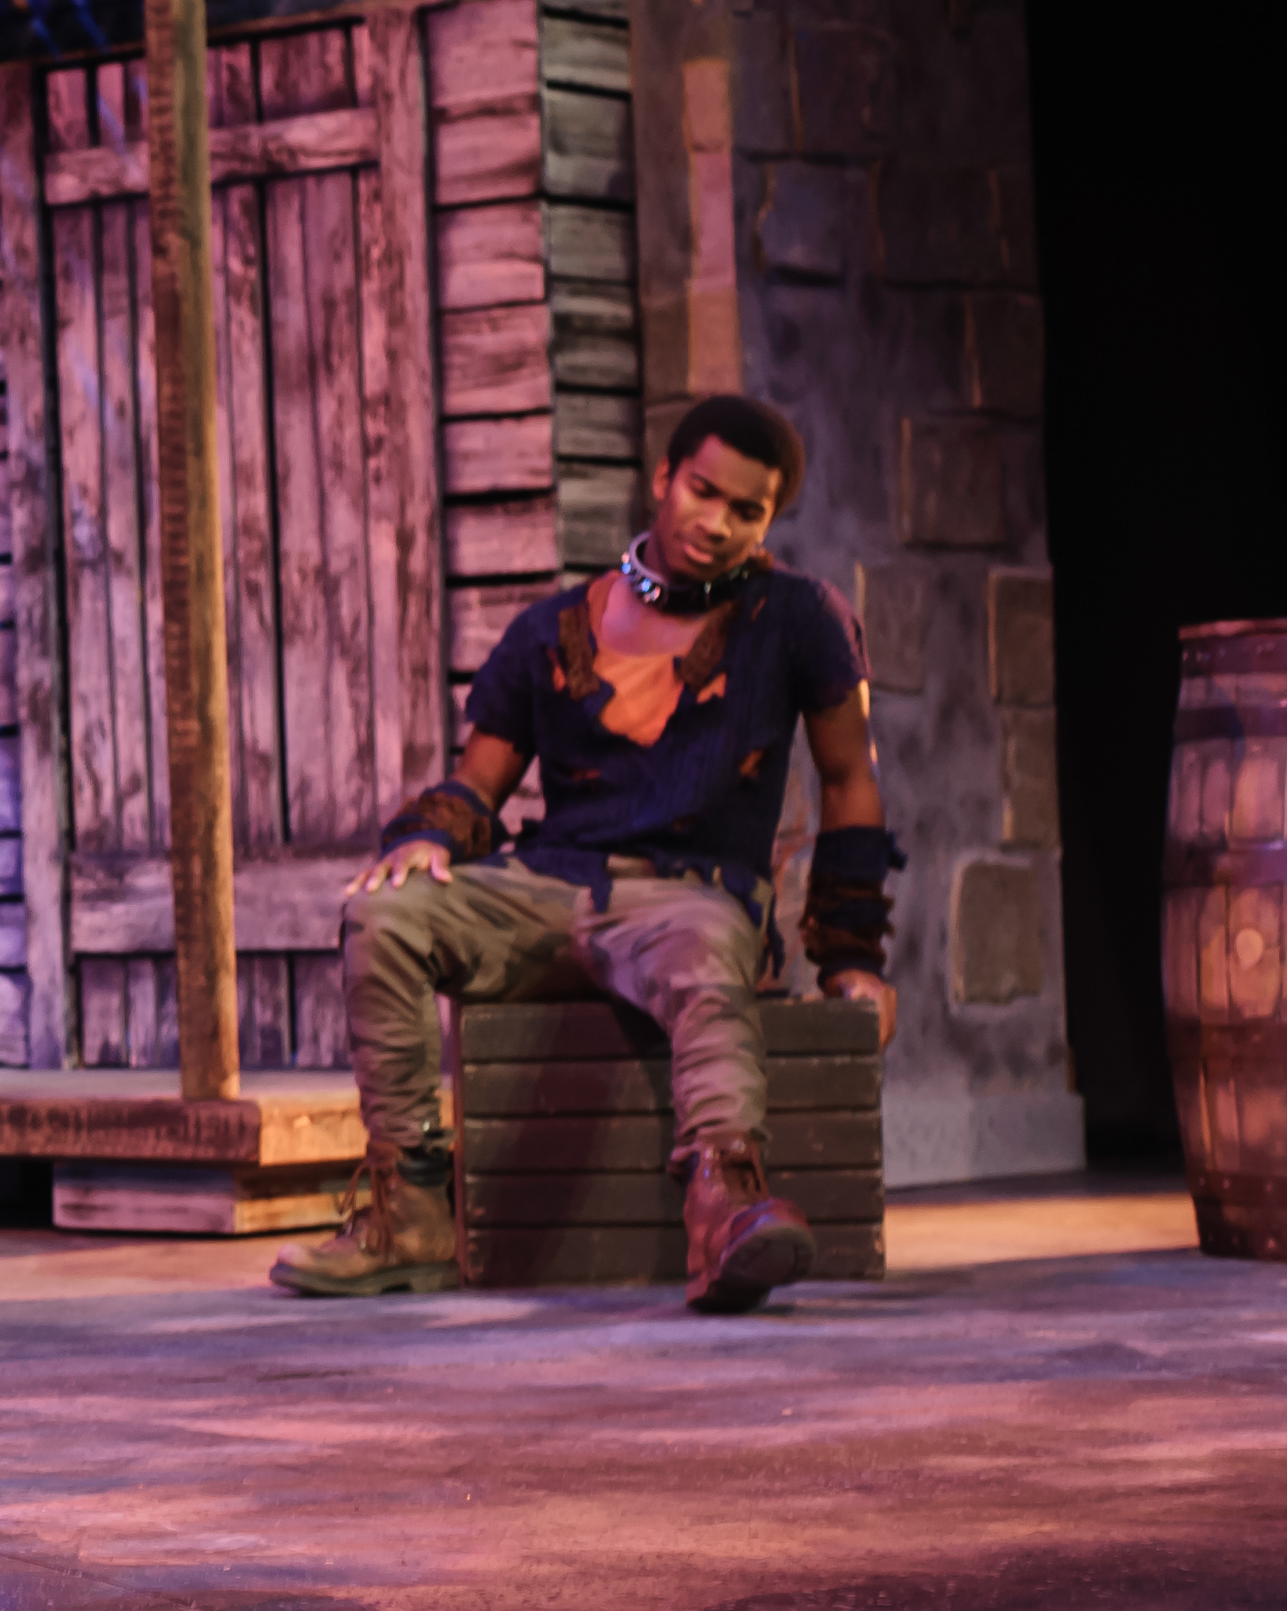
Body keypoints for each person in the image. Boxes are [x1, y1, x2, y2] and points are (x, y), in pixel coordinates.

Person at [273, 394, 901, 1313]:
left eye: (747, 510)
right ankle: (408, 1213)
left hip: (694, 895)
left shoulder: (798, 616)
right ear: (663, 478)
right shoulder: (552, 628)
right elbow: (479, 783)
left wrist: (852, 957)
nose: (717, 523)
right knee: (384, 914)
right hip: (551, 884)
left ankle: (725, 1210)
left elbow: (850, 781)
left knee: (702, 953)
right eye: (703, 492)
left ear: (768, 521)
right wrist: (424, 837)